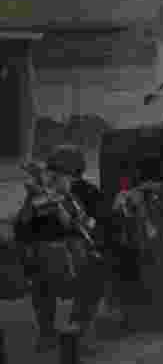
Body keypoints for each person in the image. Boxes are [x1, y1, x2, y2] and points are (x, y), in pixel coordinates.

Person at [14, 144, 107, 354]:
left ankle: (46, 334)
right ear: (79, 169)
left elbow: (21, 230)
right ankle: (77, 333)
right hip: (76, 264)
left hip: (46, 268)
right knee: (97, 272)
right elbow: (100, 228)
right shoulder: (88, 191)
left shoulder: (40, 193)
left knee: (40, 274)